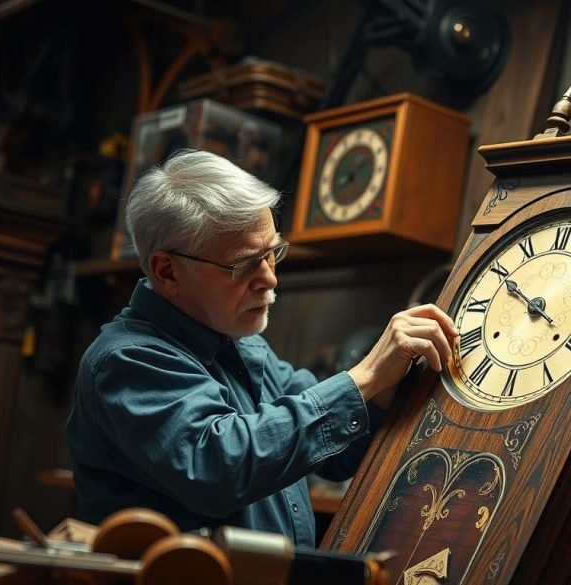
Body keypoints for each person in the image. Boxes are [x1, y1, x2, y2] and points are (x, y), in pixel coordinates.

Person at [65, 149, 458, 546]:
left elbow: (334, 454)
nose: (270, 279)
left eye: (273, 253)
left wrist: (381, 396)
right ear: (167, 271)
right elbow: (222, 465)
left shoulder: (245, 346)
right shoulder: (126, 360)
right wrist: (366, 377)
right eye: (245, 264)